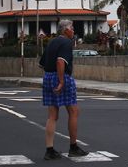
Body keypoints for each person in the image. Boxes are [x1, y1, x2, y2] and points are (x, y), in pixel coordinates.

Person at [40, 20, 88, 159]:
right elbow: (60, 61)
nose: (73, 30)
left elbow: (42, 63)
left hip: (48, 76)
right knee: (73, 111)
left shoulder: (51, 42)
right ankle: (73, 147)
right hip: (62, 77)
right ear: (65, 30)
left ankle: (49, 150)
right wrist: (61, 81)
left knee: (52, 116)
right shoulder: (67, 43)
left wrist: (52, 77)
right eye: (72, 28)